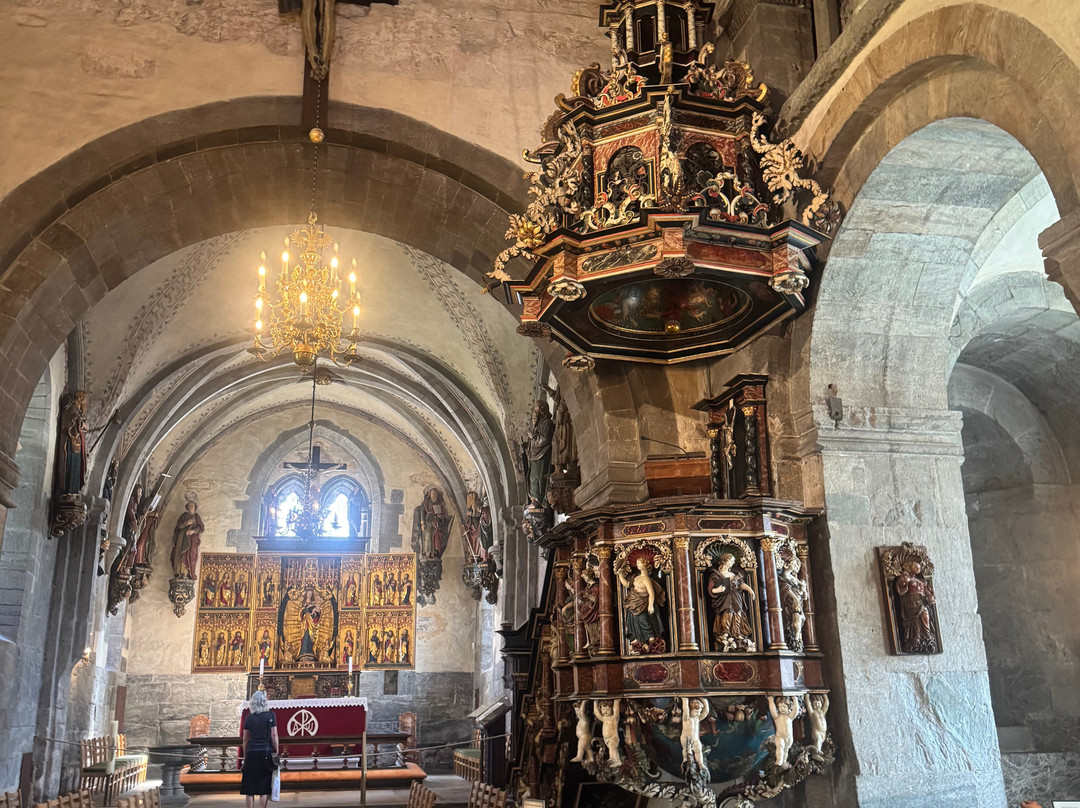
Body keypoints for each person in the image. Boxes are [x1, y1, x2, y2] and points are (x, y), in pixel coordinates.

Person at [240, 690, 279, 807]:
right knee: (264, 786)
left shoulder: (249, 718)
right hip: (265, 752)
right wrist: (276, 751)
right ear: (264, 702)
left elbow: (245, 739)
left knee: (249, 787)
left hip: (252, 753)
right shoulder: (271, 715)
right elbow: (274, 735)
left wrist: (245, 755)